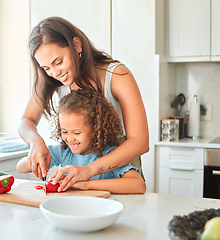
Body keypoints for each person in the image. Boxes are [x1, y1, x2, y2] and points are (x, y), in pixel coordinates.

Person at [18, 16, 149, 192]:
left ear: (77, 45)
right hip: (81, 171)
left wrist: (89, 170)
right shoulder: (53, 81)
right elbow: (26, 120)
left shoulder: (117, 75)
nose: (55, 73)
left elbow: (140, 141)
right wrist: (35, 142)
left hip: (118, 168)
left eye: (59, 62)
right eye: (46, 68)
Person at [17, 89, 146, 194]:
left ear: (96, 130)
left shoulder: (109, 154)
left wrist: (85, 184)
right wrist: (37, 159)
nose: (70, 138)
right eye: (65, 131)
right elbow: (20, 167)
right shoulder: (64, 152)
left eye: (77, 133)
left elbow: (138, 185)